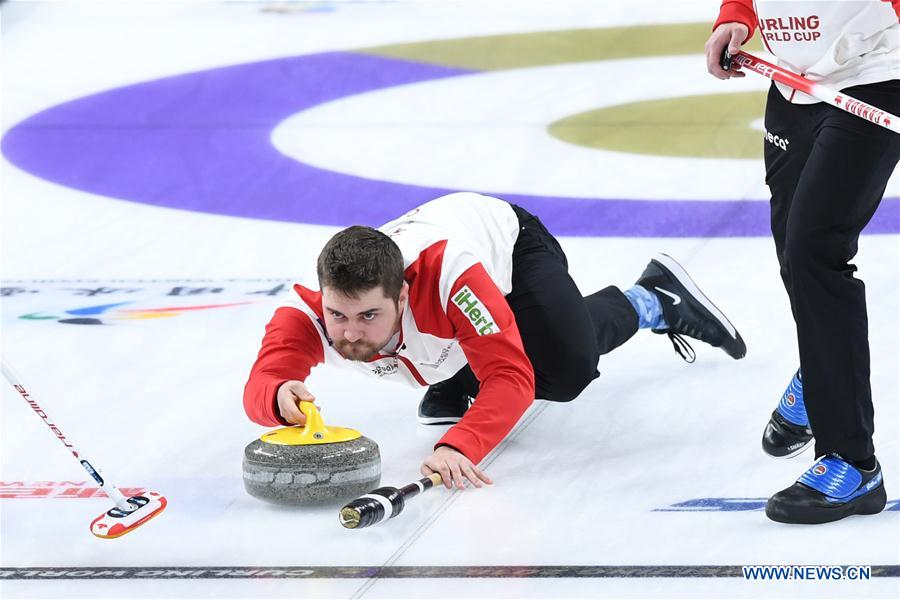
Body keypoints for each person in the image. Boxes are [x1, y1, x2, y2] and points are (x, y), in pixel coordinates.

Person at [244, 192, 745, 490]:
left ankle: (650, 298)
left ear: (402, 295)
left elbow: (510, 377)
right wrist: (278, 394)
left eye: (368, 315)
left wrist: (461, 444)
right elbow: (264, 378)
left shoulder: (449, 279)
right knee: (474, 352)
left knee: (563, 371)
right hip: (445, 302)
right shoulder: (308, 313)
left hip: (511, 246)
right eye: (339, 315)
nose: (350, 333)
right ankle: (456, 377)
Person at [705, 0, 900, 524]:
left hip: (877, 75)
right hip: (792, 81)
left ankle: (853, 464)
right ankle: (823, 377)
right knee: (794, 252)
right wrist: (737, 15)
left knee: (816, 250)